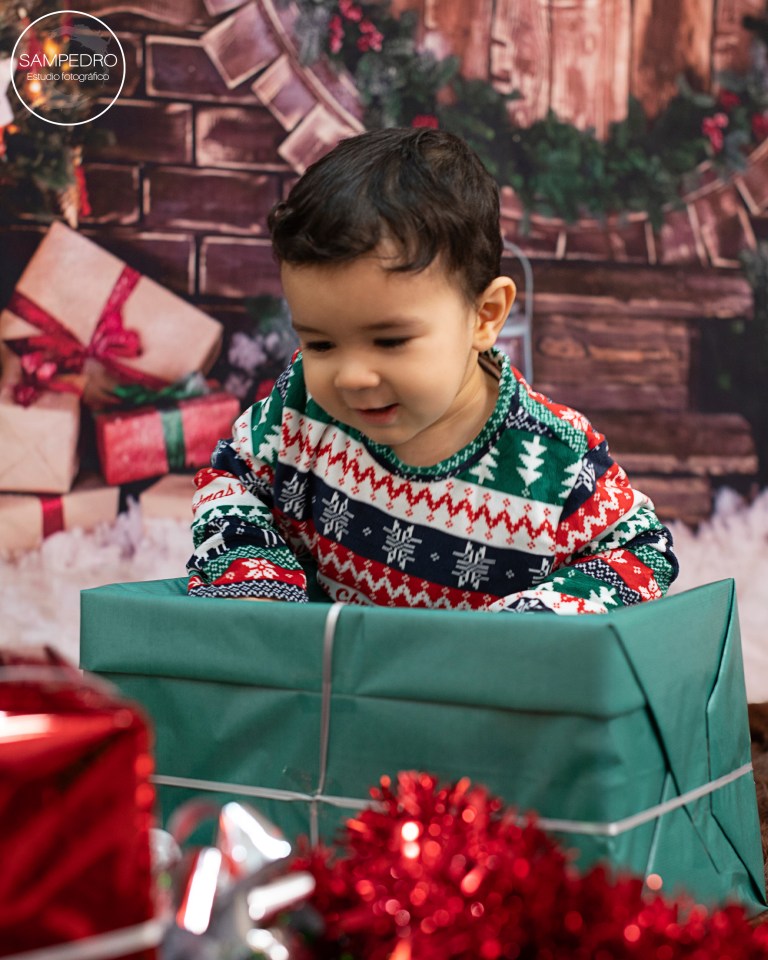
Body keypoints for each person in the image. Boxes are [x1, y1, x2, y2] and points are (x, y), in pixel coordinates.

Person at [187, 127, 678, 613]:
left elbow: (643, 552)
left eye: (391, 340)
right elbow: (234, 479)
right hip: (329, 677)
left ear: (484, 316)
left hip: (470, 687)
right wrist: (258, 579)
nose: (352, 376)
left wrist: (534, 623)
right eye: (320, 342)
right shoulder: (301, 406)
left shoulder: (556, 460)